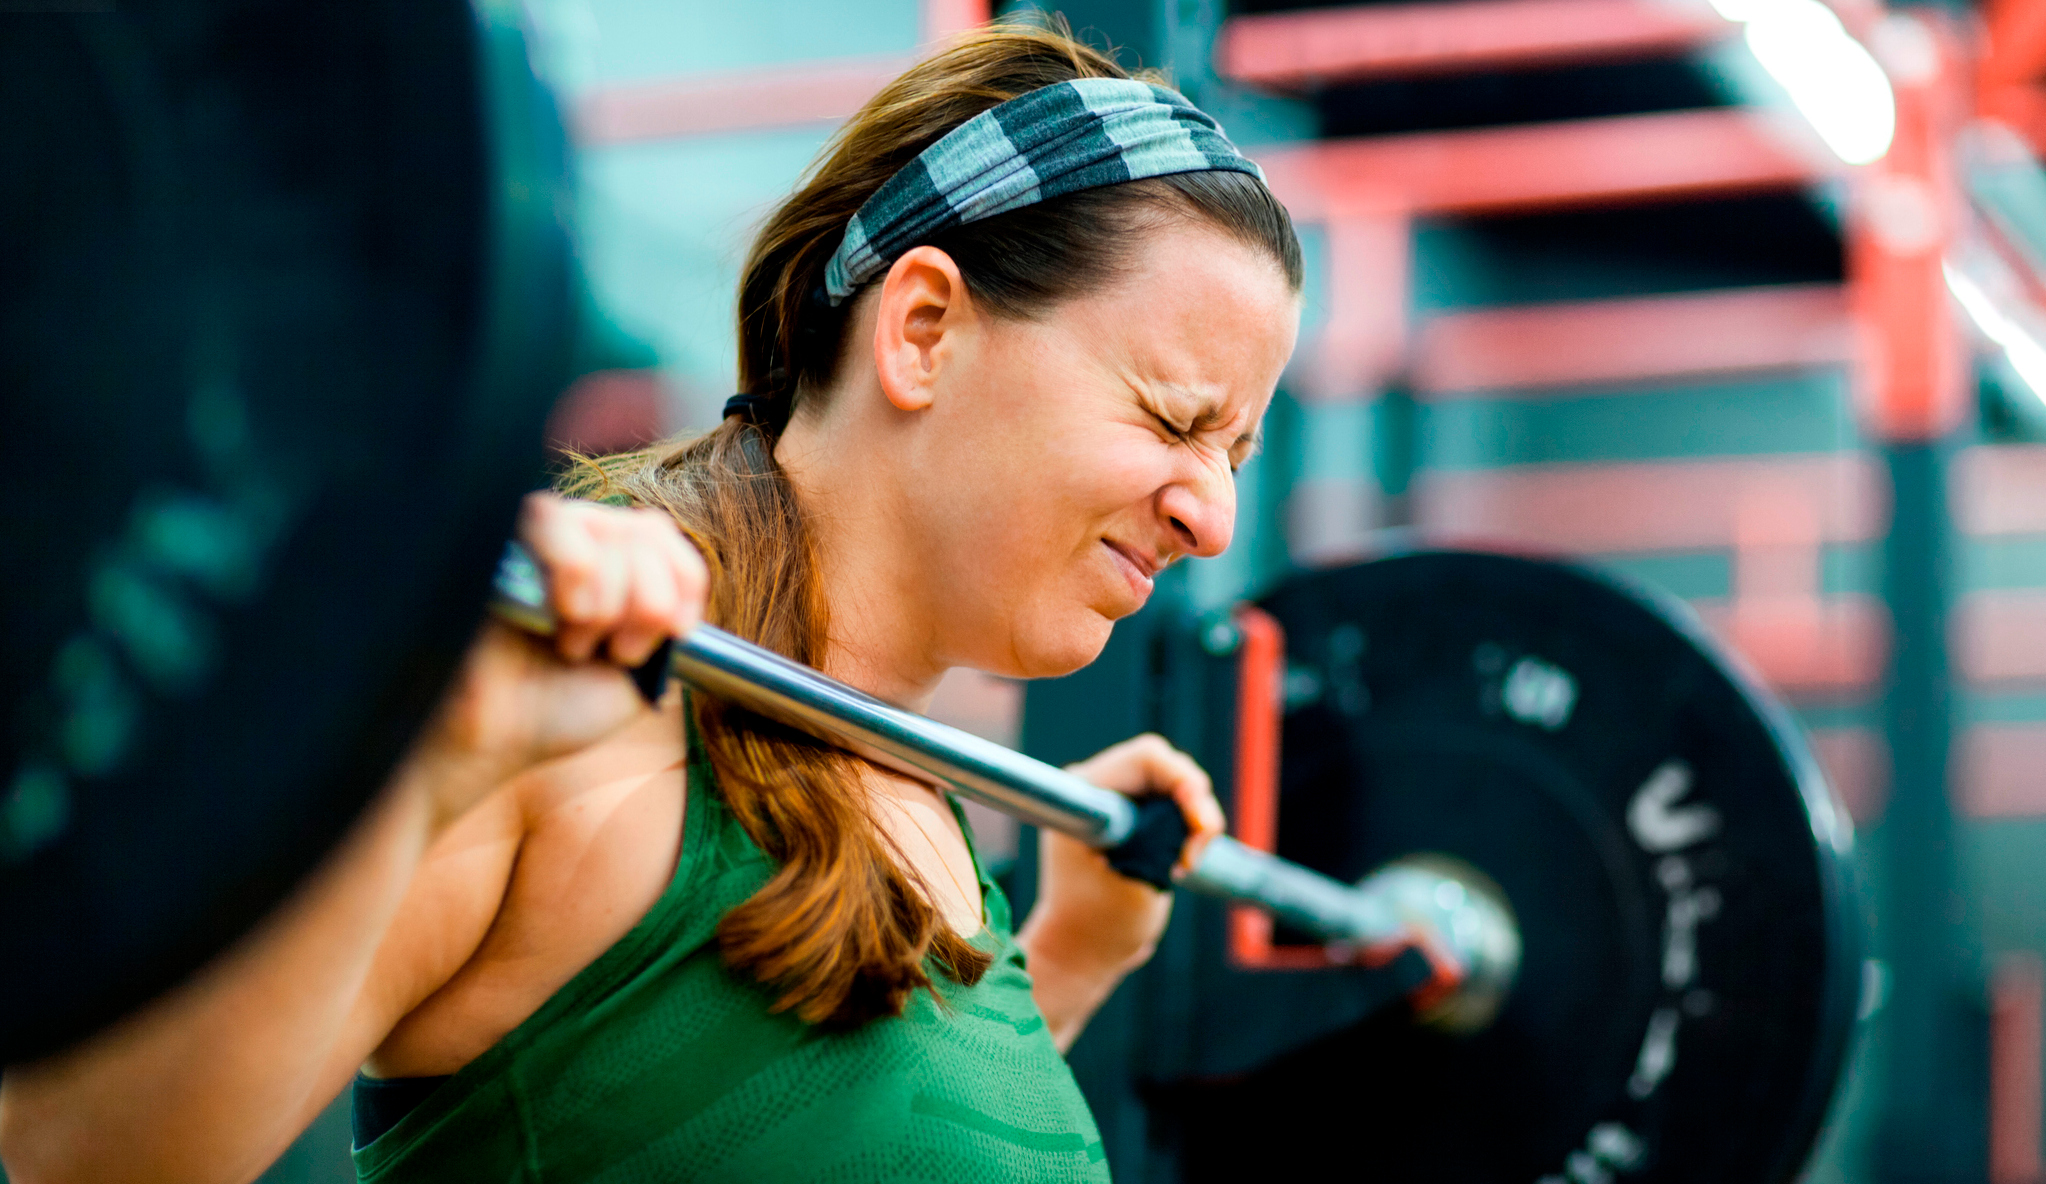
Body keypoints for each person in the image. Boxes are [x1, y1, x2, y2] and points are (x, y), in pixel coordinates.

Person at [0, 22, 1301, 1184]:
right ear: (920, 331)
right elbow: (75, 1160)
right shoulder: (581, 715)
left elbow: (844, 1136)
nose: (1214, 518)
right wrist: (445, 768)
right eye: (1172, 421)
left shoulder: (920, 797)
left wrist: (1069, 957)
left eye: (1235, 458)